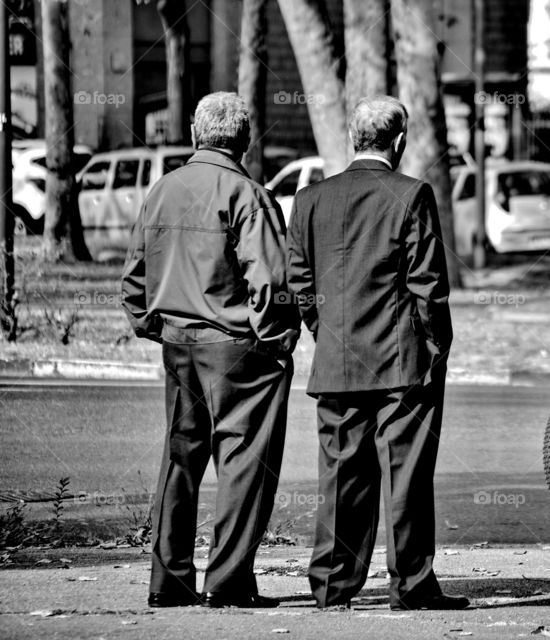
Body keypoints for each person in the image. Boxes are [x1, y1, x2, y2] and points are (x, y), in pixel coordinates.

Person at [286, 95, 466, 611]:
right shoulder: (411, 194)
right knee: (406, 476)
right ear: (401, 141)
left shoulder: (310, 199)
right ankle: (411, 585)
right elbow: (429, 286)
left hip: (338, 358)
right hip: (400, 360)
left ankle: (331, 585)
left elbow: (300, 283)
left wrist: (326, 333)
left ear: (352, 138)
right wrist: (436, 350)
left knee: (340, 477)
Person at [121, 92, 299, 608]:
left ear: (198, 135)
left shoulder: (163, 190)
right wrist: (278, 340)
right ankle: (228, 580)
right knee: (244, 463)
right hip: (237, 346)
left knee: (180, 458)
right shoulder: (248, 194)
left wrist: (151, 323)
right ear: (243, 141)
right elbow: (269, 282)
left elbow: (134, 276)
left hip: (178, 342)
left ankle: (169, 581)